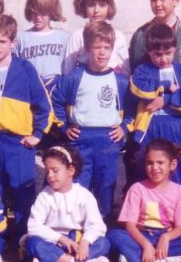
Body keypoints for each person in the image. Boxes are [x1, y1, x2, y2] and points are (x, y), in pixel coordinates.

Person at [0, 14, 53, 238]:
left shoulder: (25, 69)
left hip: (18, 142)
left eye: (2, 41)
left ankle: (22, 239)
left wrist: (37, 134)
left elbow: (44, 105)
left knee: (22, 191)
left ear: (13, 42)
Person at [52, 20, 133, 218]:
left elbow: (132, 108)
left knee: (106, 183)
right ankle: (77, 223)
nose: (102, 52)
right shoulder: (74, 77)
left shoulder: (120, 81)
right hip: (80, 138)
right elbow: (56, 101)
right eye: (97, 47)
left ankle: (103, 223)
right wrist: (64, 127)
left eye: (107, 47)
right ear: (87, 49)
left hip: (108, 139)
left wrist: (124, 127)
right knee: (79, 183)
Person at [108, 139, 181, 262]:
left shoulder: (179, 192)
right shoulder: (137, 189)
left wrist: (165, 238)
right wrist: (146, 245)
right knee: (115, 236)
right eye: (149, 163)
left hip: (167, 238)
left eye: (160, 163)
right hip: (141, 236)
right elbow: (130, 225)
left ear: (172, 165)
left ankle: (135, 259)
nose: (154, 168)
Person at [128, 23, 181, 185]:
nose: (163, 59)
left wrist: (165, 100)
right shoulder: (143, 70)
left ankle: (174, 199)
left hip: (174, 125)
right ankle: (144, 200)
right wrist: (167, 85)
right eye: (158, 54)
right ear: (148, 52)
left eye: (168, 53)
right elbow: (139, 89)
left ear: (175, 49)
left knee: (174, 166)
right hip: (149, 125)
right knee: (147, 166)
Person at [23, 145, 112, 262]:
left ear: (71, 170)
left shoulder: (84, 195)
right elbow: (33, 226)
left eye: (55, 170)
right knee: (33, 243)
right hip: (53, 241)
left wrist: (85, 242)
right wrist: (62, 239)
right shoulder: (45, 196)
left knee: (104, 243)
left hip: (77, 243)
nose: (50, 176)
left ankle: (55, 261)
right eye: (47, 171)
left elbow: (97, 225)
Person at [61, 0, 130, 74]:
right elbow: (68, 70)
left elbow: (125, 70)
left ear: (109, 7)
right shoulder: (78, 35)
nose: (96, 10)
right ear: (84, 7)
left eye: (102, 5)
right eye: (91, 5)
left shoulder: (117, 35)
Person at [16, 0, 70, 93]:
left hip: (56, 86)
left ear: (52, 12)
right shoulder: (21, 37)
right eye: (34, 12)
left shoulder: (64, 37)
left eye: (43, 13)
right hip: (31, 86)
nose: (38, 17)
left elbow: (68, 67)